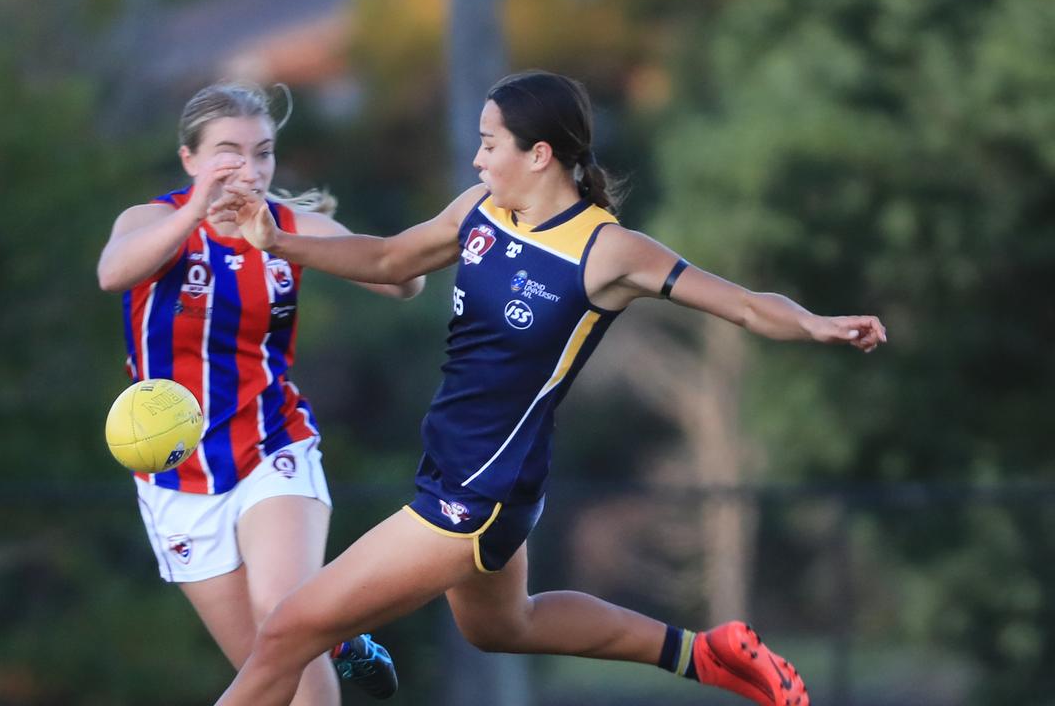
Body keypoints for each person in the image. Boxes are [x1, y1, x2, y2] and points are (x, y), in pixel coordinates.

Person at [207, 70, 887, 706]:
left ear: (538, 155)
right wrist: (276, 241)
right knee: (506, 626)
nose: (477, 160)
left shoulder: (606, 250)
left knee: (286, 631)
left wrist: (815, 324)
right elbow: (388, 257)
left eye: (488, 143)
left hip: (477, 492)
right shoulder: (481, 209)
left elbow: (740, 303)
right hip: (472, 474)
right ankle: (706, 654)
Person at [96, 83, 420, 704]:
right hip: (175, 478)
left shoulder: (289, 226)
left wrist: (286, 243)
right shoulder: (155, 220)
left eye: (263, 153)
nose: (249, 169)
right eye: (228, 153)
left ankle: (324, 630)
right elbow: (113, 273)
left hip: (271, 444)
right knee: (269, 673)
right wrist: (195, 212)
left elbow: (402, 282)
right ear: (190, 159)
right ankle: (342, 640)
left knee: (284, 615)